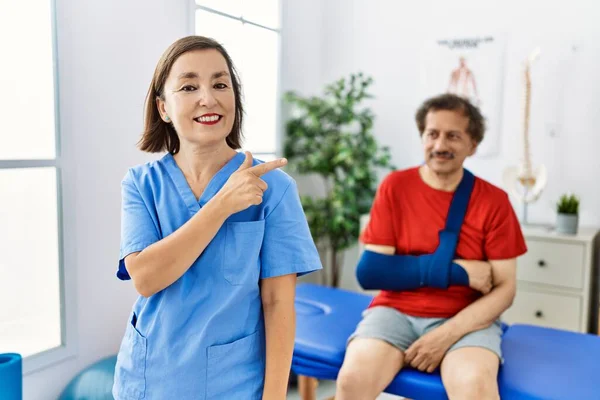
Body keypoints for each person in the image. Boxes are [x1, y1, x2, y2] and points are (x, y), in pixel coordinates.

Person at [112, 35, 322, 400]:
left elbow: (278, 305)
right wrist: (221, 205)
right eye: (189, 86)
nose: (208, 98)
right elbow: (145, 278)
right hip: (147, 380)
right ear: (164, 108)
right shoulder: (141, 184)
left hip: (233, 385)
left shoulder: (274, 188)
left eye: (220, 84)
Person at [334, 93, 527, 400]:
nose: (440, 146)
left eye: (453, 136)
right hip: (395, 310)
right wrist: (458, 272)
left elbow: (505, 289)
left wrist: (445, 335)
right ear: (422, 136)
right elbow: (371, 272)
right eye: (432, 134)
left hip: (466, 316)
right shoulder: (395, 187)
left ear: (473, 145)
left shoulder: (495, 202)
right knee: (352, 380)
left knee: (474, 388)